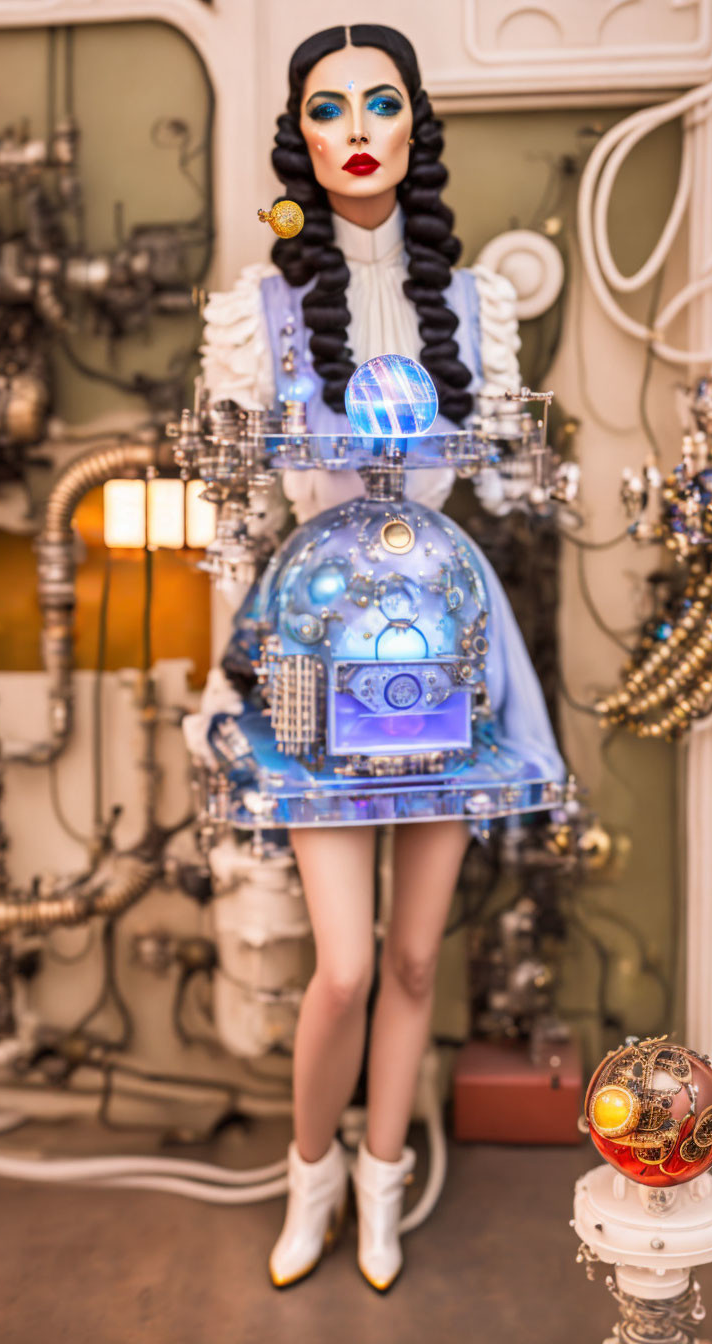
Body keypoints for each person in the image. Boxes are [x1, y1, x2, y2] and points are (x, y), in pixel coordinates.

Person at [201, 23, 562, 1293]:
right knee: (344, 964)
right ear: (298, 134)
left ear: (416, 126)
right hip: (309, 645)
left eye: (381, 103)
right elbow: (236, 520)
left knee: (416, 957)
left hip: (447, 640)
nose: (355, 128)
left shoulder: (480, 304)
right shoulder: (253, 311)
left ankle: (383, 1186)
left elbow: (508, 484)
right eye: (328, 107)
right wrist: (223, 672)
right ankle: (312, 1174)